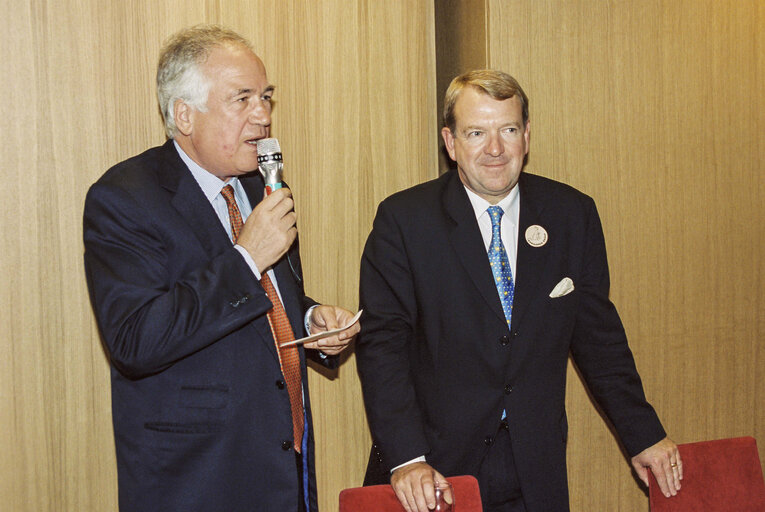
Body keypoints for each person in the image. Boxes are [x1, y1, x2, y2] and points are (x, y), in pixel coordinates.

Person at [356, 70, 681, 512]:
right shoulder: (404, 221)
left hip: (534, 468)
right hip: (434, 469)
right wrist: (407, 458)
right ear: (450, 143)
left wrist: (644, 434)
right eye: (476, 133)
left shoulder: (571, 214)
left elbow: (599, 339)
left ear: (526, 136)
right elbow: (382, 348)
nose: (495, 149)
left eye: (508, 130)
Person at [83, 25, 359, 512]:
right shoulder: (125, 198)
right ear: (185, 115)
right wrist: (247, 256)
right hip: (198, 483)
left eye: (266, 97)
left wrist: (310, 319)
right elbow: (135, 340)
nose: (264, 115)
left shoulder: (262, 185)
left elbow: (265, 303)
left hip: (284, 470)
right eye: (243, 99)